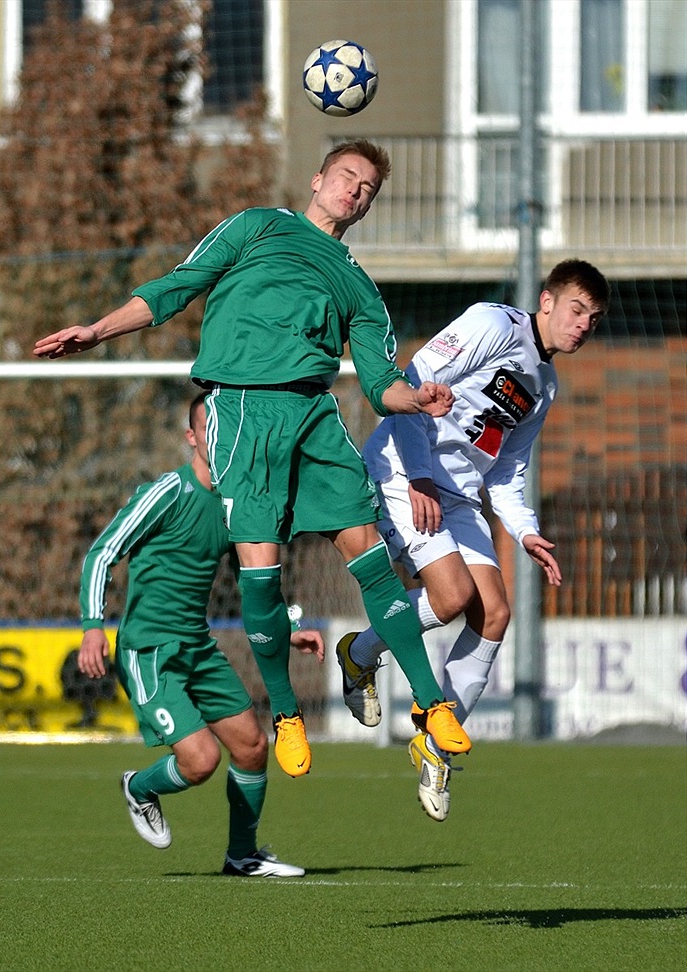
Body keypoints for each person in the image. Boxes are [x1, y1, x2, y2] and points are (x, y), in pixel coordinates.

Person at [35, 139, 471, 778]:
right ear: (317, 179)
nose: (354, 190)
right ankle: (287, 714)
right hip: (242, 410)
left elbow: (381, 384)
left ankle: (431, 704)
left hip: (314, 414)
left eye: (367, 189)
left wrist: (416, 398)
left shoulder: (359, 287)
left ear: (367, 206)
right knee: (261, 571)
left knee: (370, 553)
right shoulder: (257, 226)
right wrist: (98, 330)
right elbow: (178, 285)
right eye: (346, 176)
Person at [335, 259, 610, 821]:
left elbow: (506, 470)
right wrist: (418, 476)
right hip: (405, 471)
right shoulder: (492, 323)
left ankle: (433, 748)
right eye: (577, 309)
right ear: (547, 301)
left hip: (458, 496)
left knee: (495, 614)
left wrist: (525, 530)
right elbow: (414, 383)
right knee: (453, 596)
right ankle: (360, 653)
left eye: (594, 318)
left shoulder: (544, 385)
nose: (583, 324)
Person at [77, 393, 324, 877]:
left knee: (252, 746)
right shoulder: (168, 491)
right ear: (191, 437)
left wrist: (288, 628)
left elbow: (254, 581)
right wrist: (92, 628)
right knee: (201, 761)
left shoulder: (236, 507)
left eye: (227, 426)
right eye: (209, 428)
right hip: (150, 650)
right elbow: (102, 553)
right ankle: (138, 788)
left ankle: (243, 856)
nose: (220, 436)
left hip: (198, 646)